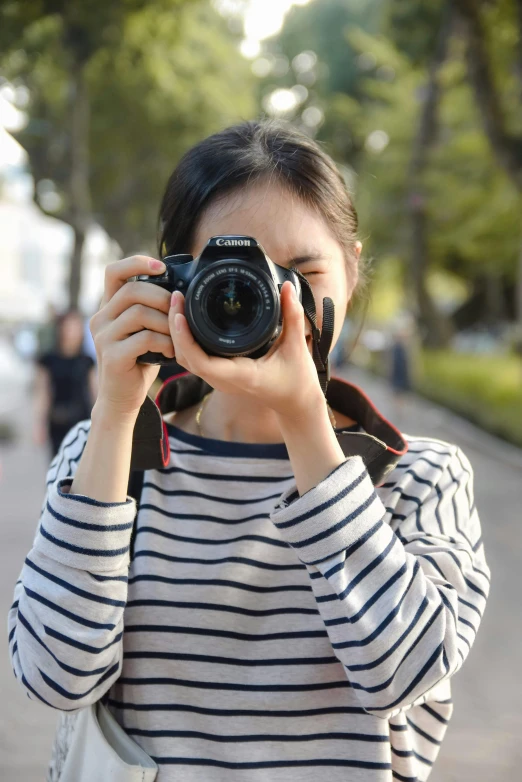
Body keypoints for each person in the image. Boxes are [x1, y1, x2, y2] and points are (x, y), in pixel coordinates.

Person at [9, 121, 489, 782]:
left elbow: (403, 675)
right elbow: (52, 676)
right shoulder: (112, 454)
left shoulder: (419, 476)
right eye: (233, 273)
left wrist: (303, 420)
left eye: (302, 271)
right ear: (172, 279)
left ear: (350, 270)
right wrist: (116, 413)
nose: (267, 299)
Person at [33, 309, 97, 457]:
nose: (72, 331)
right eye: (68, 326)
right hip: (57, 423)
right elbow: (42, 393)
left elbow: (95, 391)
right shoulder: (48, 360)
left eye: (76, 327)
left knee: (81, 469)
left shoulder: (87, 361)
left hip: (82, 421)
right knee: (58, 468)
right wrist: (39, 424)